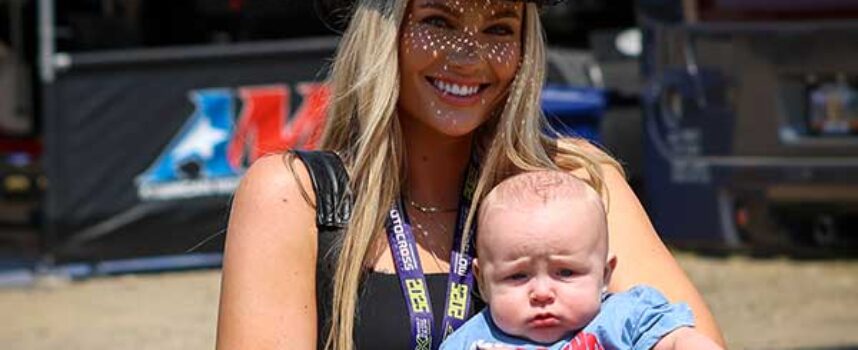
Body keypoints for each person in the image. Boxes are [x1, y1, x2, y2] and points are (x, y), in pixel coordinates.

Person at [216, 0, 725, 349]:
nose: (469, 54)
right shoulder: (298, 196)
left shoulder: (580, 180)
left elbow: (693, 338)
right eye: (438, 20)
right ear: (383, 31)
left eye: (499, 28)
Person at [440, 171, 722, 349]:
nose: (541, 293)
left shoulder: (625, 316)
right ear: (483, 281)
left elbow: (678, 341)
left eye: (565, 272)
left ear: (604, 273)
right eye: (517, 276)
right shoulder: (473, 341)